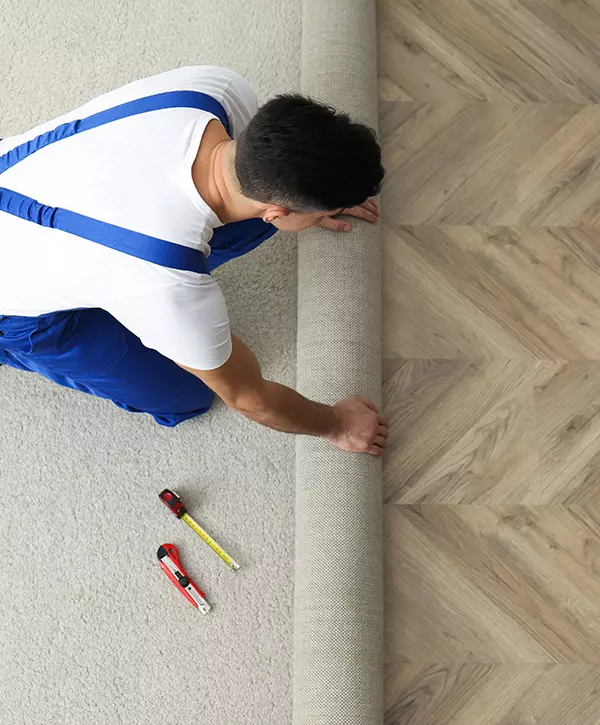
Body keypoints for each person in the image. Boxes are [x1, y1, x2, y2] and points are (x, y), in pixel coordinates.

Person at [0, 65, 387, 456]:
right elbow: (250, 398)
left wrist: (320, 192)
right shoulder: (166, 281)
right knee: (187, 394)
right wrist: (338, 423)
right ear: (279, 209)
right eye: (323, 211)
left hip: (19, 179)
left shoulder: (215, 90)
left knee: (247, 228)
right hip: (14, 308)